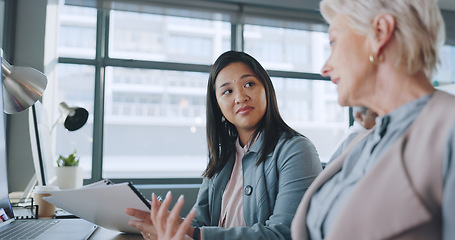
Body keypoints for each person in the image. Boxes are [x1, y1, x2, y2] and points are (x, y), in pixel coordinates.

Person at [291, 0, 455, 239]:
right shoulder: (352, 147)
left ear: (379, 33)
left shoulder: (447, 132)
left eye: (333, 42)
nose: (325, 68)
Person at [126, 50, 322, 239]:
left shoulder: (296, 150)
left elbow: (284, 234)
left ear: (267, 90)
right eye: (227, 91)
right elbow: (200, 223)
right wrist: (168, 224)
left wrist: (192, 233)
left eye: (249, 84)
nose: (240, 97)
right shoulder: (222, 156)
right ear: (217, 105)